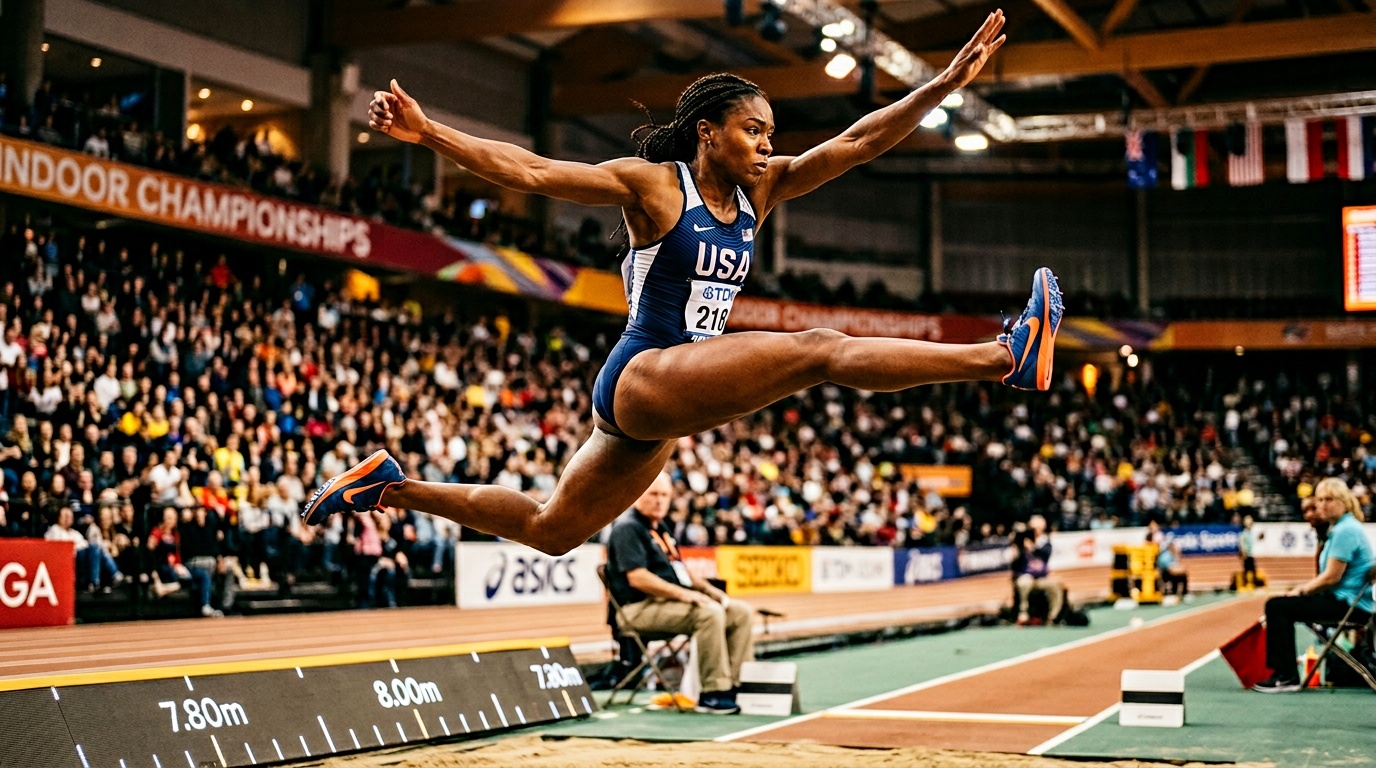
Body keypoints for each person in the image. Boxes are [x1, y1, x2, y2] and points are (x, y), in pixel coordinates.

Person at [302, 12, 1063, 559]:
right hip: (645, 372)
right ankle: (1002, 356)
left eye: (771, 133)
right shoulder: (656, 188)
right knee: (819, 349)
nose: (770, 145)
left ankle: (390, 488)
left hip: (661, 404)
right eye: (754, 131)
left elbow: (860, 140)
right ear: (709, 132)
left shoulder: (764, 191)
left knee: (550, 531)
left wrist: (938, 87)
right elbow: (534, 172)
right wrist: (430, 134)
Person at [606, 471, 753, 714]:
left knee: (740, 612)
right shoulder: (627, 528)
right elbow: (638, 577)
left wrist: (710, 591)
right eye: (653, 494)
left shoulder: (661, 528)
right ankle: (713, 693)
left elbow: (680, 571)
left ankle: (735, 684)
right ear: (637, 494)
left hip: (667, 605)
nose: (659, 500)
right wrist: (685, 595)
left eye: (665, 495)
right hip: (636, 609)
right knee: (709, 614)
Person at [1253, 478, 1374, 692]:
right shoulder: (1341, 528)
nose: (1323, 505)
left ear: (1344, 502)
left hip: (1349, 606)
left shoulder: (1345, 530)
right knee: (1280, 605)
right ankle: (1284, 674)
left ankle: (1285, 676)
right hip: (1347, 602)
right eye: (1319, 500)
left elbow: (1331, 577)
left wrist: (1300, 591)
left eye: (1329, 499)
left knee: (1277, 607)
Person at [1009, 514, 1065, 625]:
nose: (1037, 531)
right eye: (1034, 528)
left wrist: (1032, 547)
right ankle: (1023, 613)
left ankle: (1053, 616)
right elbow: (1015, 562)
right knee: (1025, 583)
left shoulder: (1045, 542)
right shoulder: (1021, 541)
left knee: (1055, 586)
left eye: (1039, 528)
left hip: (1040, 577)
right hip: (1025, 576)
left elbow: (1045, 555)